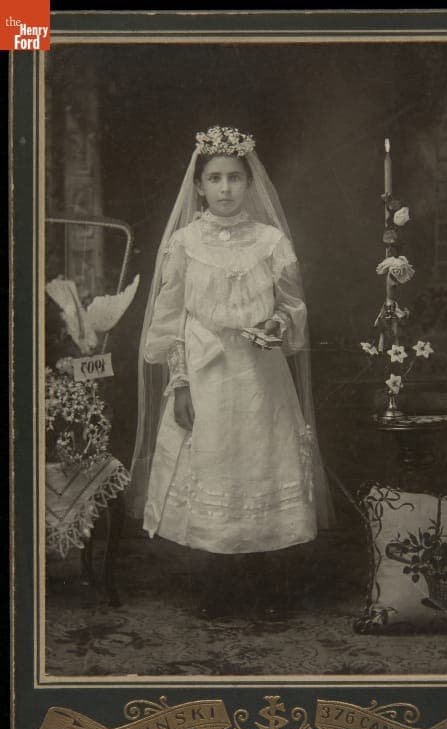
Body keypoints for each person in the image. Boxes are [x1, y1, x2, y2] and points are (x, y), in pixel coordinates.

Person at [129, 126, 333, 617]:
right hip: (205, 372)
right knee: (216, 466)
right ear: (198, 185)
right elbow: (171, 319)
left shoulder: (271, 241)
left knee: (259, 465)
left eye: (235, 178)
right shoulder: (184, 243)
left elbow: (293, 306)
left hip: (260, 375)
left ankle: (261, 584)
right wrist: (179, 383)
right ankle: (217, 584)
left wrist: (276, 321)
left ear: (250, 182)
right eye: (215, 179)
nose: (225, 189)